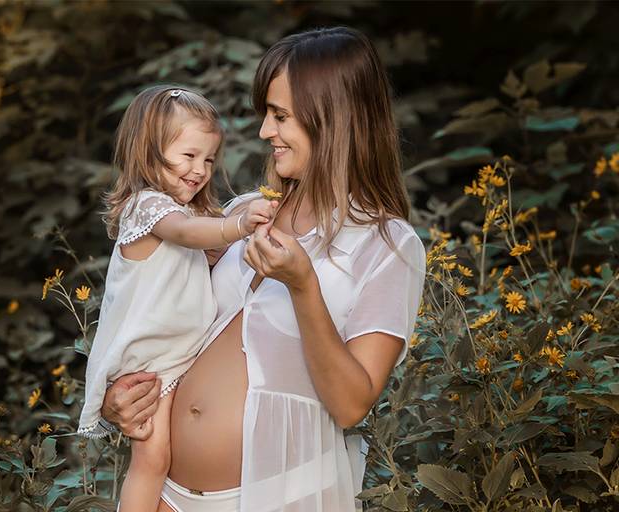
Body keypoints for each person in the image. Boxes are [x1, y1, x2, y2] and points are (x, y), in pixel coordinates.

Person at [100, 27, 427, 512]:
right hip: (167, 496)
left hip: (283, 497)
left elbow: (352, 403)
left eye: (280, 116)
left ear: (332, 119)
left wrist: (302, 286)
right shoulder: (247, 212)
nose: (264, 132)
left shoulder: (386, 244)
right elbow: (163, 315)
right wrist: (118, 401)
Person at [77, 85, 277, 512]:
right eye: (188, 156)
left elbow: (202, 244)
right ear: (148, 152)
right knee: (153, 460)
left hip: (176, 353)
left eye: (208, 159)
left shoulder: (188, 214)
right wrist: (238, 226)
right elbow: (188, 233)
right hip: (150, 360)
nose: (200, 170)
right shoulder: (147, 208)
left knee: (160, 459)